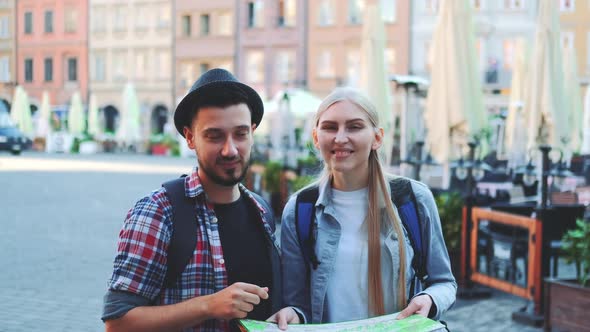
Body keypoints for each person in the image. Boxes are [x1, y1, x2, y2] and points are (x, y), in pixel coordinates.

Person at [102, 68, 283, 332]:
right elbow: (117, 322)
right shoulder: (158, 212)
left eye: (240, 134)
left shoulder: (261, 210)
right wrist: (208, 306)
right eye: (214, 135)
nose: (230, 149)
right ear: (189, 137)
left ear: (253, 132)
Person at [270, 87, 456, 328]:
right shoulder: (300, 210)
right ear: (316, 138)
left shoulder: (413, 199)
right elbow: (297, 303)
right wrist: (293, 314)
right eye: (330, 127)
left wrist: (429, 299)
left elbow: (444, 282)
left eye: (354, 127)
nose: (340, 137)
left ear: (377, 137)